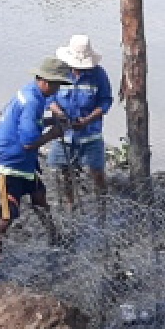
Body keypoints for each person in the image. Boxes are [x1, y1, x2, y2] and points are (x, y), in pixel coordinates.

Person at [0, 57, 74, 263]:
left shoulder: (31, 92)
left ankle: (54, 236)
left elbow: (32, 123)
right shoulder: (33, 101)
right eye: (57, 84)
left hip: (22, 162)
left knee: (39, 195)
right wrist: (54, 133)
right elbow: (28, 142)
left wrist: (52, 120)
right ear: (45, 81)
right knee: (7, 216)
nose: (58, 89)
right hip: (6, 165)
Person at [47, 34, 113, 209]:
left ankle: (102, 207)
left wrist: (88, 120)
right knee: (64, 172)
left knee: (97, 173)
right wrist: (60, 113)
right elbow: (49, 98)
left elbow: (105, 101)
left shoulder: (98, 74)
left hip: (90, 135)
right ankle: (70, 204)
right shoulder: (60, 73)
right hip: (65, 134)